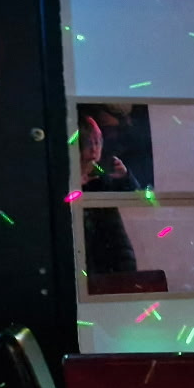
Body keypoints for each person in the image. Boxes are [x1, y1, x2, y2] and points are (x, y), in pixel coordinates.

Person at [79, 115, 140, 273]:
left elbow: (135, 196)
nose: (94, 148)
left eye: (98, 142)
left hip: (114, 255)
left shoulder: (102, 176)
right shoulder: (70, 178)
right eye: (88, 142)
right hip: (85, 257)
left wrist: (125, 176)